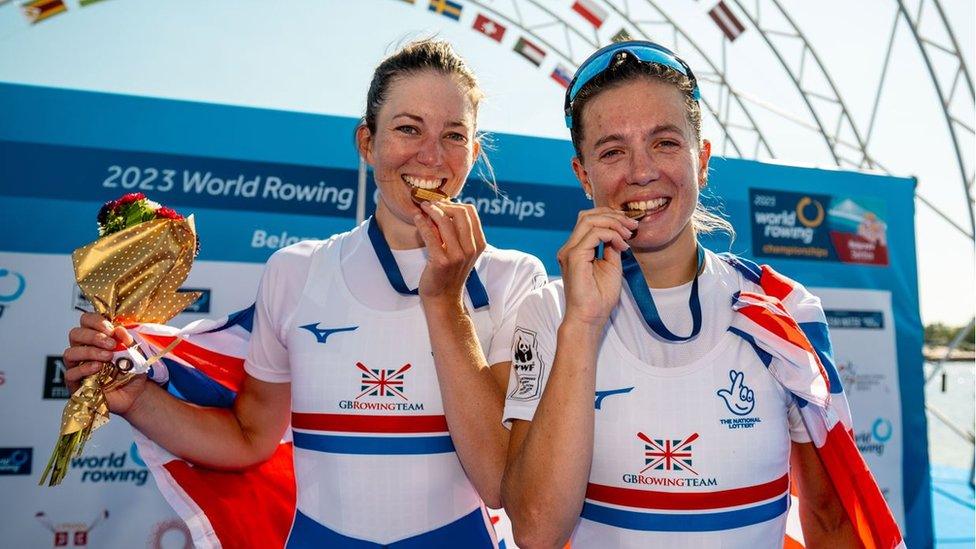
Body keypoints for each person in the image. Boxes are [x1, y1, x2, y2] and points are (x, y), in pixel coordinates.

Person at [63, 39, 544, 548]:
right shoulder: (296, 272)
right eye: (408, 128)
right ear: (367, 142)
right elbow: (250, 440)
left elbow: (502, 483)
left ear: (472, 151)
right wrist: (136, 399)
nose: (430, 155)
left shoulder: (512, 281)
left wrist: (445, 301)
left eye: (453, 135)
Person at [500, 41, 878, 548]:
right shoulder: (550, 312)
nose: (641, 171)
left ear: (701, 159)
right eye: (612, 151)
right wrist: (584, 326)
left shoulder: (782, 310)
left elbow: (831, 521)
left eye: (665, 143)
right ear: (583, 174)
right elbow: (536, 530)